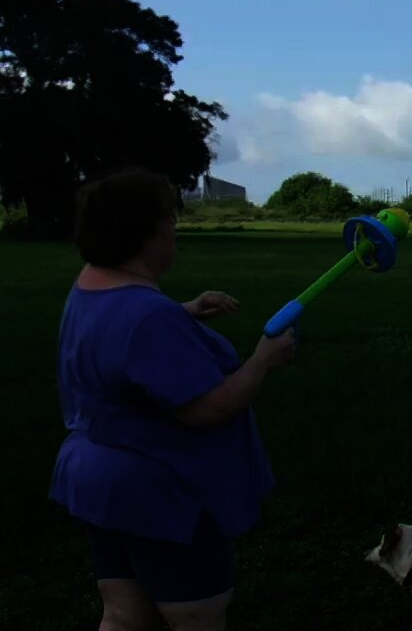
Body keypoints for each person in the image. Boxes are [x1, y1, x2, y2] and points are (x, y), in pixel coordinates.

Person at [48, 168, 297, 631]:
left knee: (124, 613)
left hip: (101, 486)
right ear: (146, 237)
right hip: (160, 494)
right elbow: (210, 408)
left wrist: (182, 311)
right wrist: (263, 359)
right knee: (196, 615)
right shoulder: (148, 318)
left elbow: (115, 341)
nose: (174, 233)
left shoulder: (89, 288)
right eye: (169, 225)